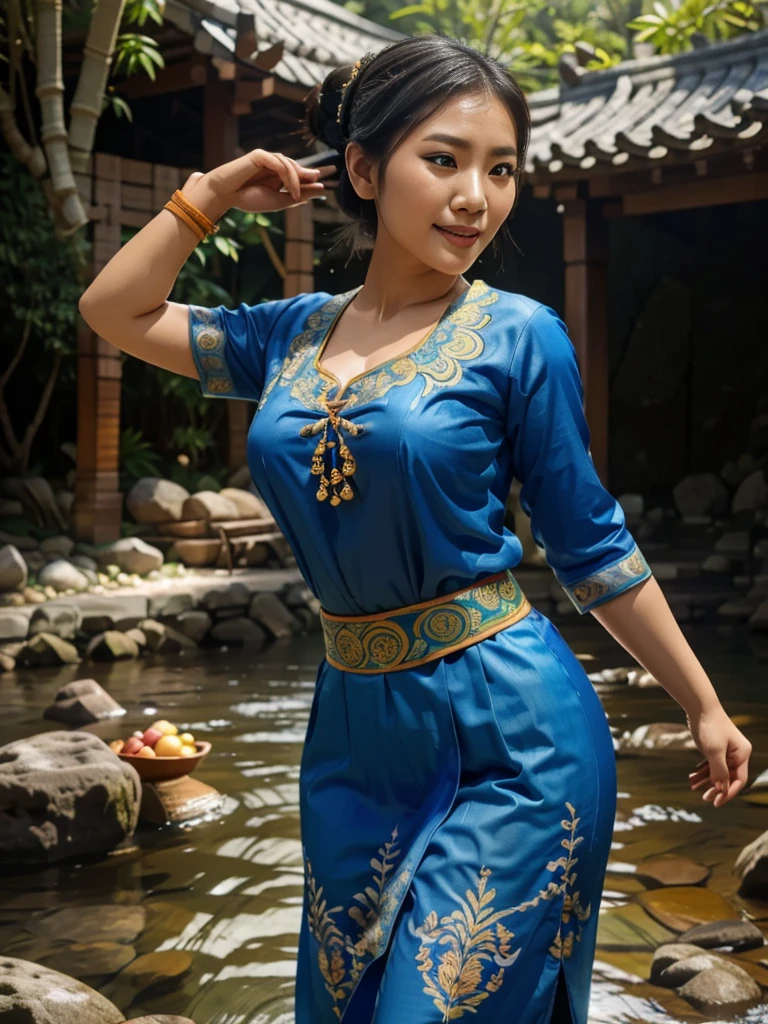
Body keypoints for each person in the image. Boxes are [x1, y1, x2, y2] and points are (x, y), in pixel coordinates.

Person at [79, 34, 752, 1024]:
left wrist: (702, 702)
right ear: (363, 166)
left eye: (502, 168)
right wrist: (214, 189)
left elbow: (591, 543)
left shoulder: (520, 337)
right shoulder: (288, 336)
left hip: (513, 733)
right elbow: (116, 309)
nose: (477, 195)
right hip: (352, 735)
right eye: (444, 159)